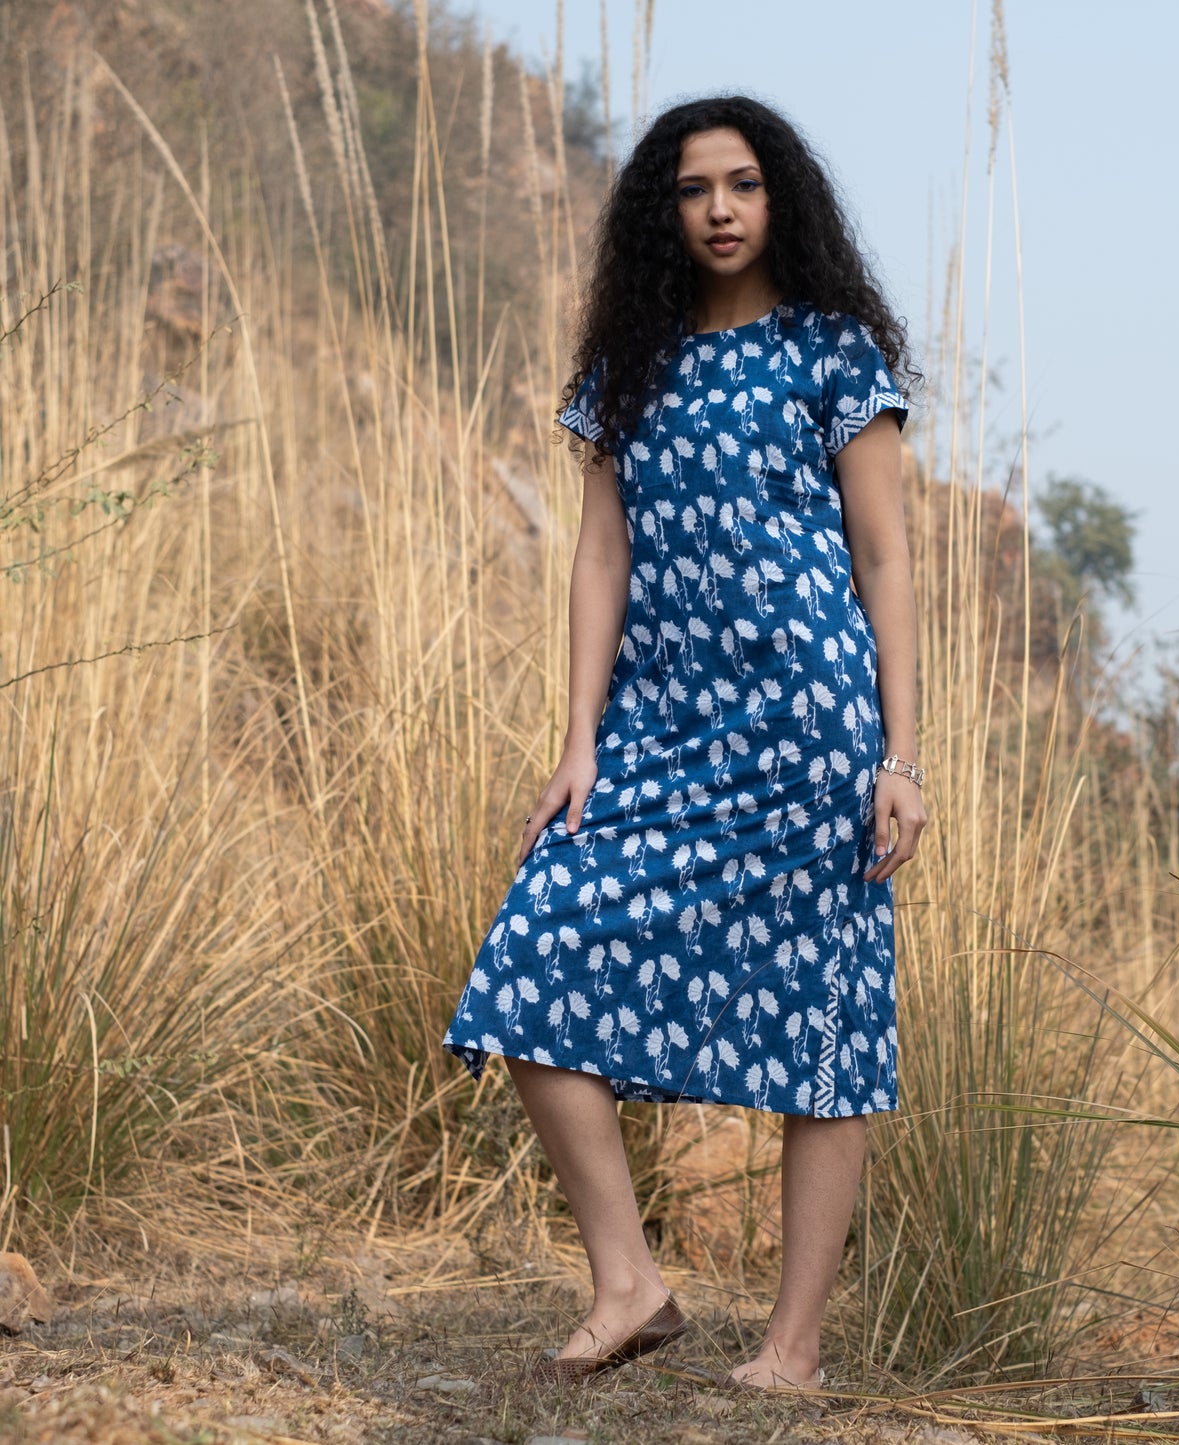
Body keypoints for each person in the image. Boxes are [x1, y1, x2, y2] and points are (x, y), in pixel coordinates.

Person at [443, 94, 926, 1392]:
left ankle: (792, 1347)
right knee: (532, 954)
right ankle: (630, 1282)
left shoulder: (833, 353)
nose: (718, 208)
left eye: (743, 184)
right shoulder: (631, 362)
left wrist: (902, 753)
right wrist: (579, 737)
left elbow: (883, 554)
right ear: (663, 211)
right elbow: (599, 552)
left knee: (821, 1037)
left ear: (781, 203)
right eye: (693, 188)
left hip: (811, 733)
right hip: (658, 730)